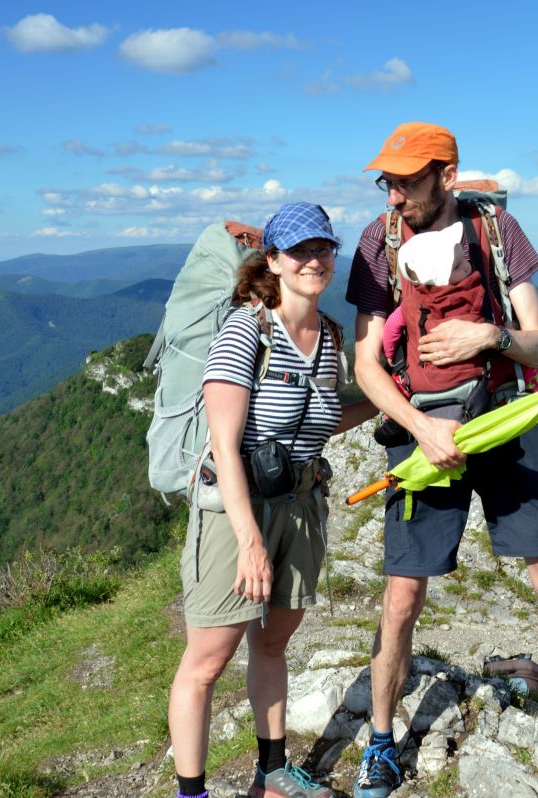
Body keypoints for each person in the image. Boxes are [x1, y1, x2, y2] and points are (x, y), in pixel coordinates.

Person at [345, 122, 538, 798]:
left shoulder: (497, 231)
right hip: (423, 430)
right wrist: (420, 428)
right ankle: (383, 744)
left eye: (406, 181)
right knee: (402, 598)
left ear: (446, 176)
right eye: (386, 182)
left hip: (504, 415)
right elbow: (365, 366)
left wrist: (491, 334)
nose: (393, 196)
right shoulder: (378, 242)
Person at [168, 202, 376, 798]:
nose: (314, 260)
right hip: (236, 512)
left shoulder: (330, 335)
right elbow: (225, 446)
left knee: (274, 641)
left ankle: (272, 772)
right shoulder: (246, 330)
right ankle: (192, 793)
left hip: (302, 504)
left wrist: (401, 406)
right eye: (300, 251)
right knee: (207, 660)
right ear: (275, 261)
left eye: (323, 249)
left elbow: (323, 420)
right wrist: (251, 544)